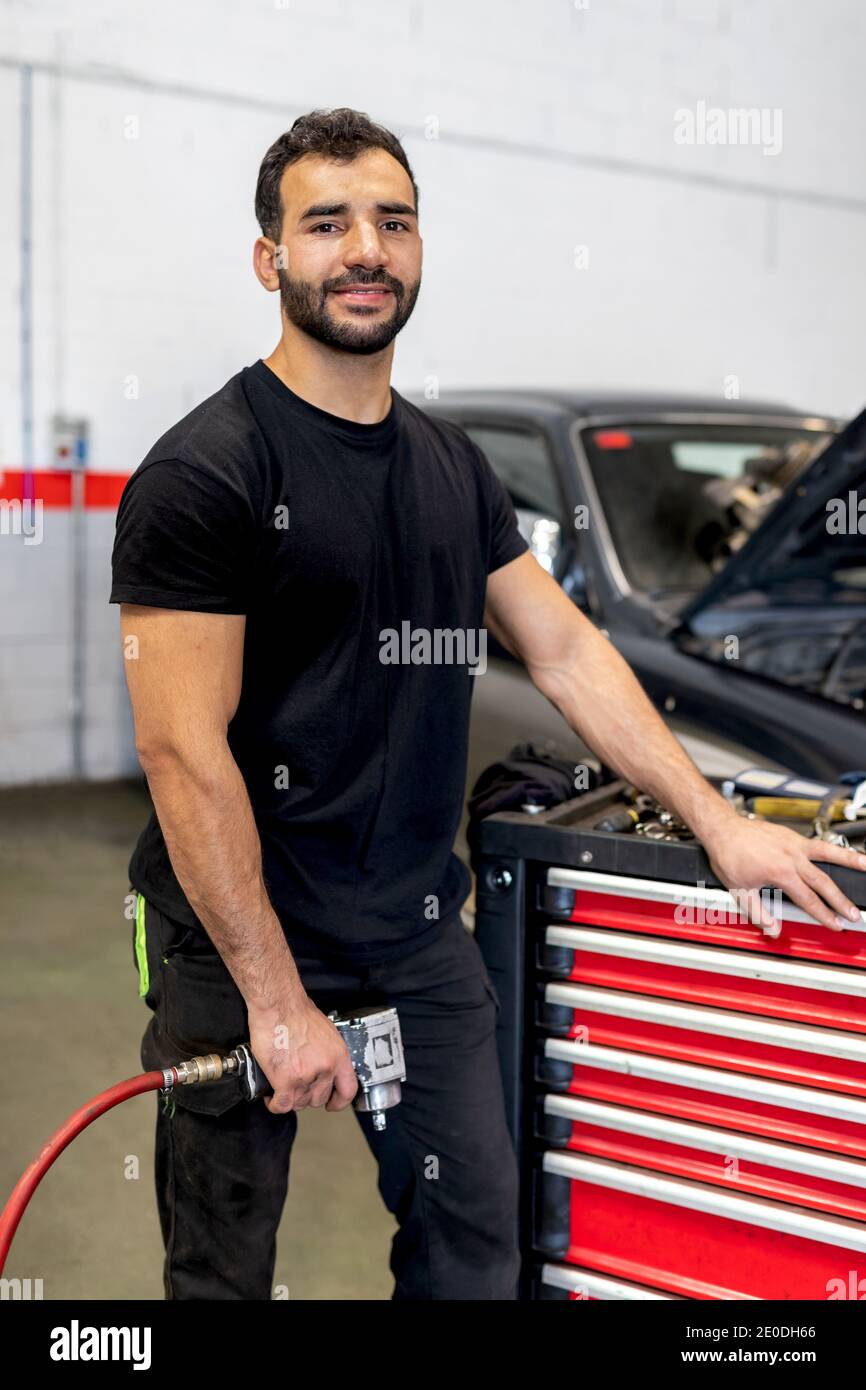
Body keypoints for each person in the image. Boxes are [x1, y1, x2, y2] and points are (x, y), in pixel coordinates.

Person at [110, 107, 866, 1302]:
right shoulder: (209, 471)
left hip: (411, 933)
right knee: (221, 1269)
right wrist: (274, 999)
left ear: (417, 249)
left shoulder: (447, 466)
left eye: (392, 222)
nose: (365, 249)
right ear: (270, 260)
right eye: (326, 223)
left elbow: (563, 651)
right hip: (234, 937)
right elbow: (181, 752)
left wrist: (716, 820)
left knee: (474, 1248)